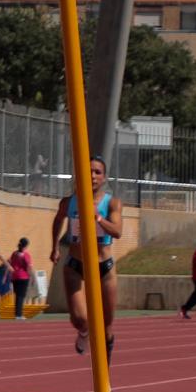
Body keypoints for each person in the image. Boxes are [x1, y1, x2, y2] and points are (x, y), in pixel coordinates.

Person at [50, 154, 122, 360]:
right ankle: (83, 333)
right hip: (76, 265)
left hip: (104, 267)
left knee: (106, 326)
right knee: (81, 319)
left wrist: (97, 218)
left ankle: (104, 378)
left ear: (104, 177)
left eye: (97, 172)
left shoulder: (112, 203)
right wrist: (54, 246)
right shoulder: (68, 202)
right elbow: (58, 219)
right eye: (88, 171)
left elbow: (117, 231)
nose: (92, 176)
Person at [7, 238, 35, 319]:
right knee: (21, 296)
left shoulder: (14, 253)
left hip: (15, 276)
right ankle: (19, 314)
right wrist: (32, 276)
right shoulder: (26, 255)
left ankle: (17, 313)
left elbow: (10, 263)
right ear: (26, 245)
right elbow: (28, 266)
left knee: (17, 296)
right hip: (23, 276)